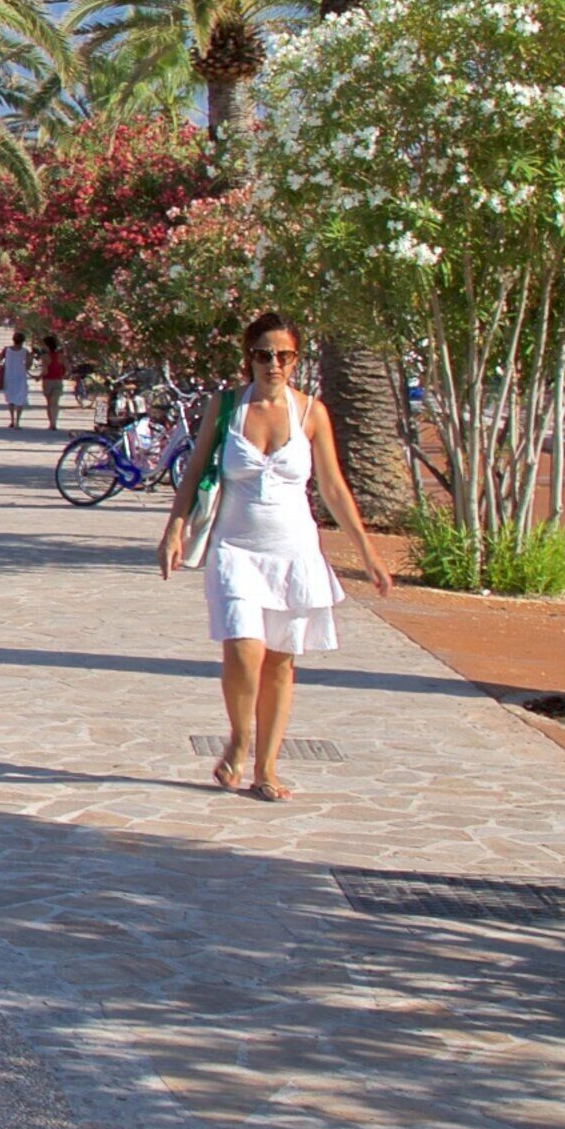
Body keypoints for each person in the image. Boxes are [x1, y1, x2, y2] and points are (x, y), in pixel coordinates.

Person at [160, 310, 394, 800]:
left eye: (283, 355)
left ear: (295, 359)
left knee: (281, 663)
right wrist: (174, 529)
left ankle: (266, 767)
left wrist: (367, 552)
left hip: (293, 551)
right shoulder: (226, 407)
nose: (274, 363)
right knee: (243, 648)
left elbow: (332, 487)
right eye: (264, 354)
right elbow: (196, 470)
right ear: (249, 357)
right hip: (236, 548)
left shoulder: (312, 413)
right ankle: (240, 738)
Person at [0, 335, 32, 430]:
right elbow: (28, 366)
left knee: (10, 399)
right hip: (21, 377)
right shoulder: (25, 351)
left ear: (13, 340)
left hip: (9, 377)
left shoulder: (6, 350)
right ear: (23, 341)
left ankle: (12, 420)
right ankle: (18, 422)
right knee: (20, 399)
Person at [39, 336, 67, 431]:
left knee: (49, 403)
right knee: (55, 403)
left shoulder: (44, 357)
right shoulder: (61, 356)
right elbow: (69, 369)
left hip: (48, 381)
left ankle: (51, 423)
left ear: (47, 346)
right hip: (58, 381)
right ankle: (54, 423)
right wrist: (63, 375)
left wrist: (38, 377)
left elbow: (45, 371)